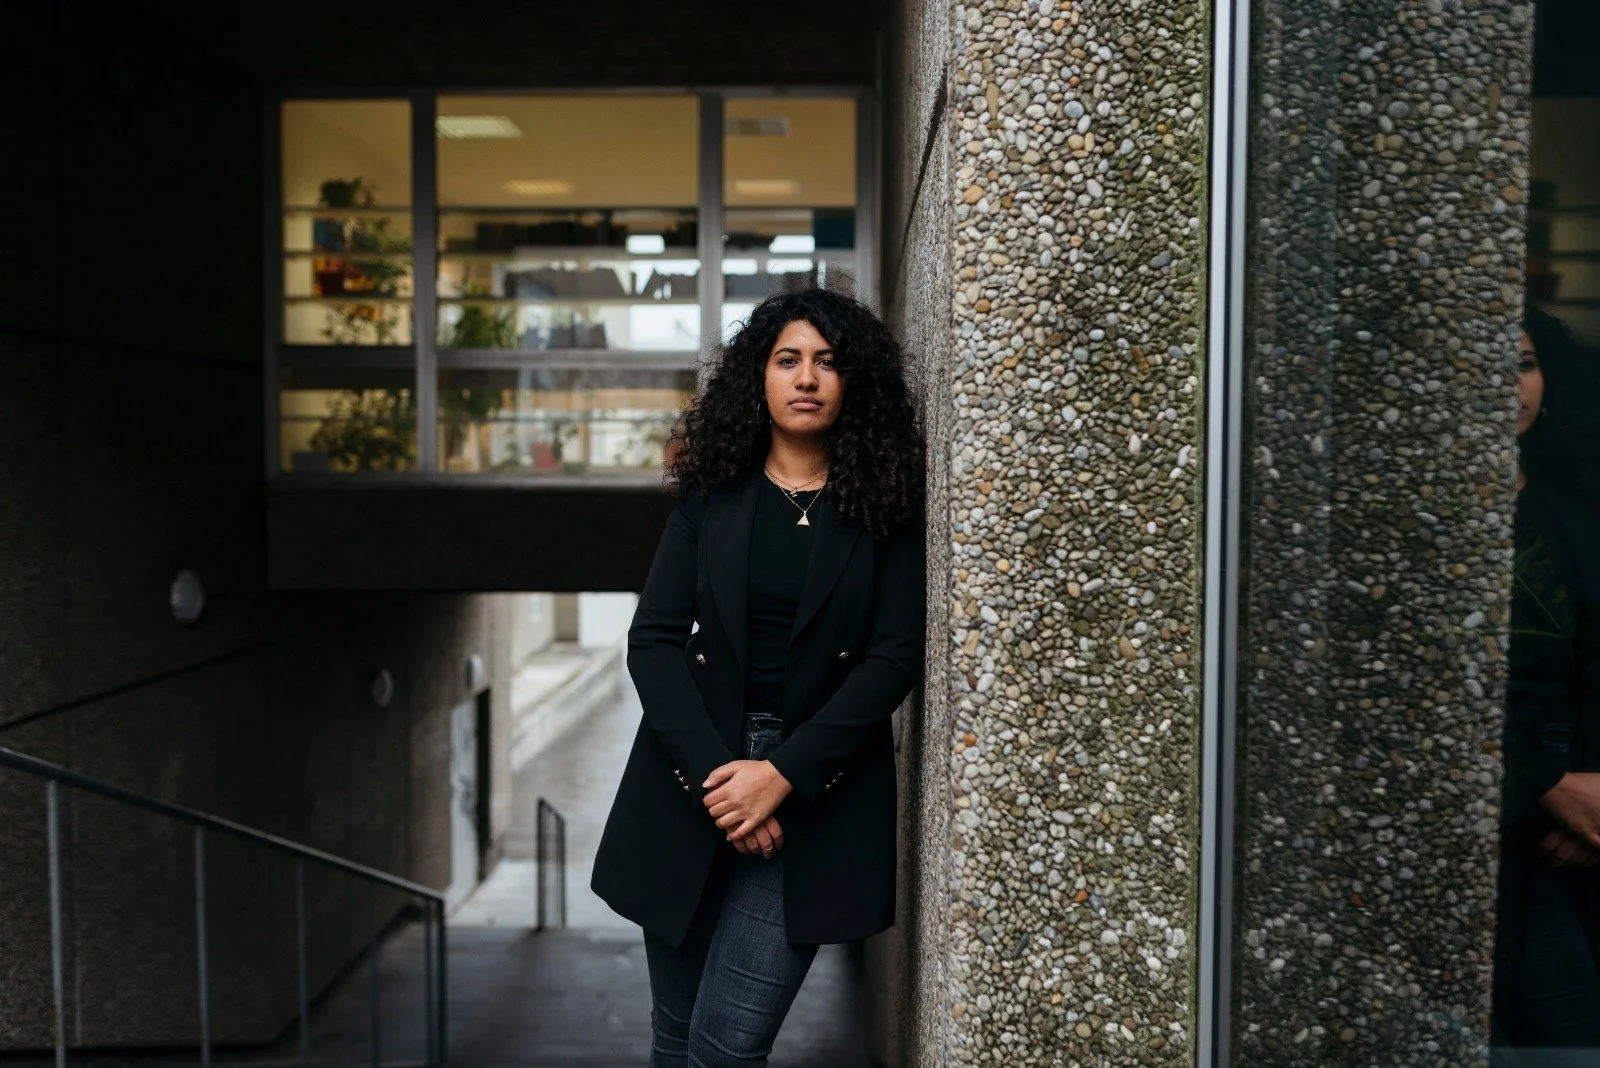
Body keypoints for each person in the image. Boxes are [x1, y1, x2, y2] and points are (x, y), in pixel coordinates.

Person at [591, 289, 927, 1067]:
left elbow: (893, 657)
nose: (806, 378)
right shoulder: (712, 495)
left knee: (725, 1048)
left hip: (816, 788)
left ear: (853, 383)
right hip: (694, 780)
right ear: (761, 379)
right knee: (673, 1038)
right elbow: (654, 641)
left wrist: (781, 775)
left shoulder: (885, 503)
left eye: (827, 361)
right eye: (788, 360)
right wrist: (723, 778)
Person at [1493, 306, 1600, 1059]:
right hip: (1502, 816)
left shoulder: (1573, 504)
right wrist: (1546, 783)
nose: (1513, 387)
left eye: (1524, 364)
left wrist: (1593, 790)